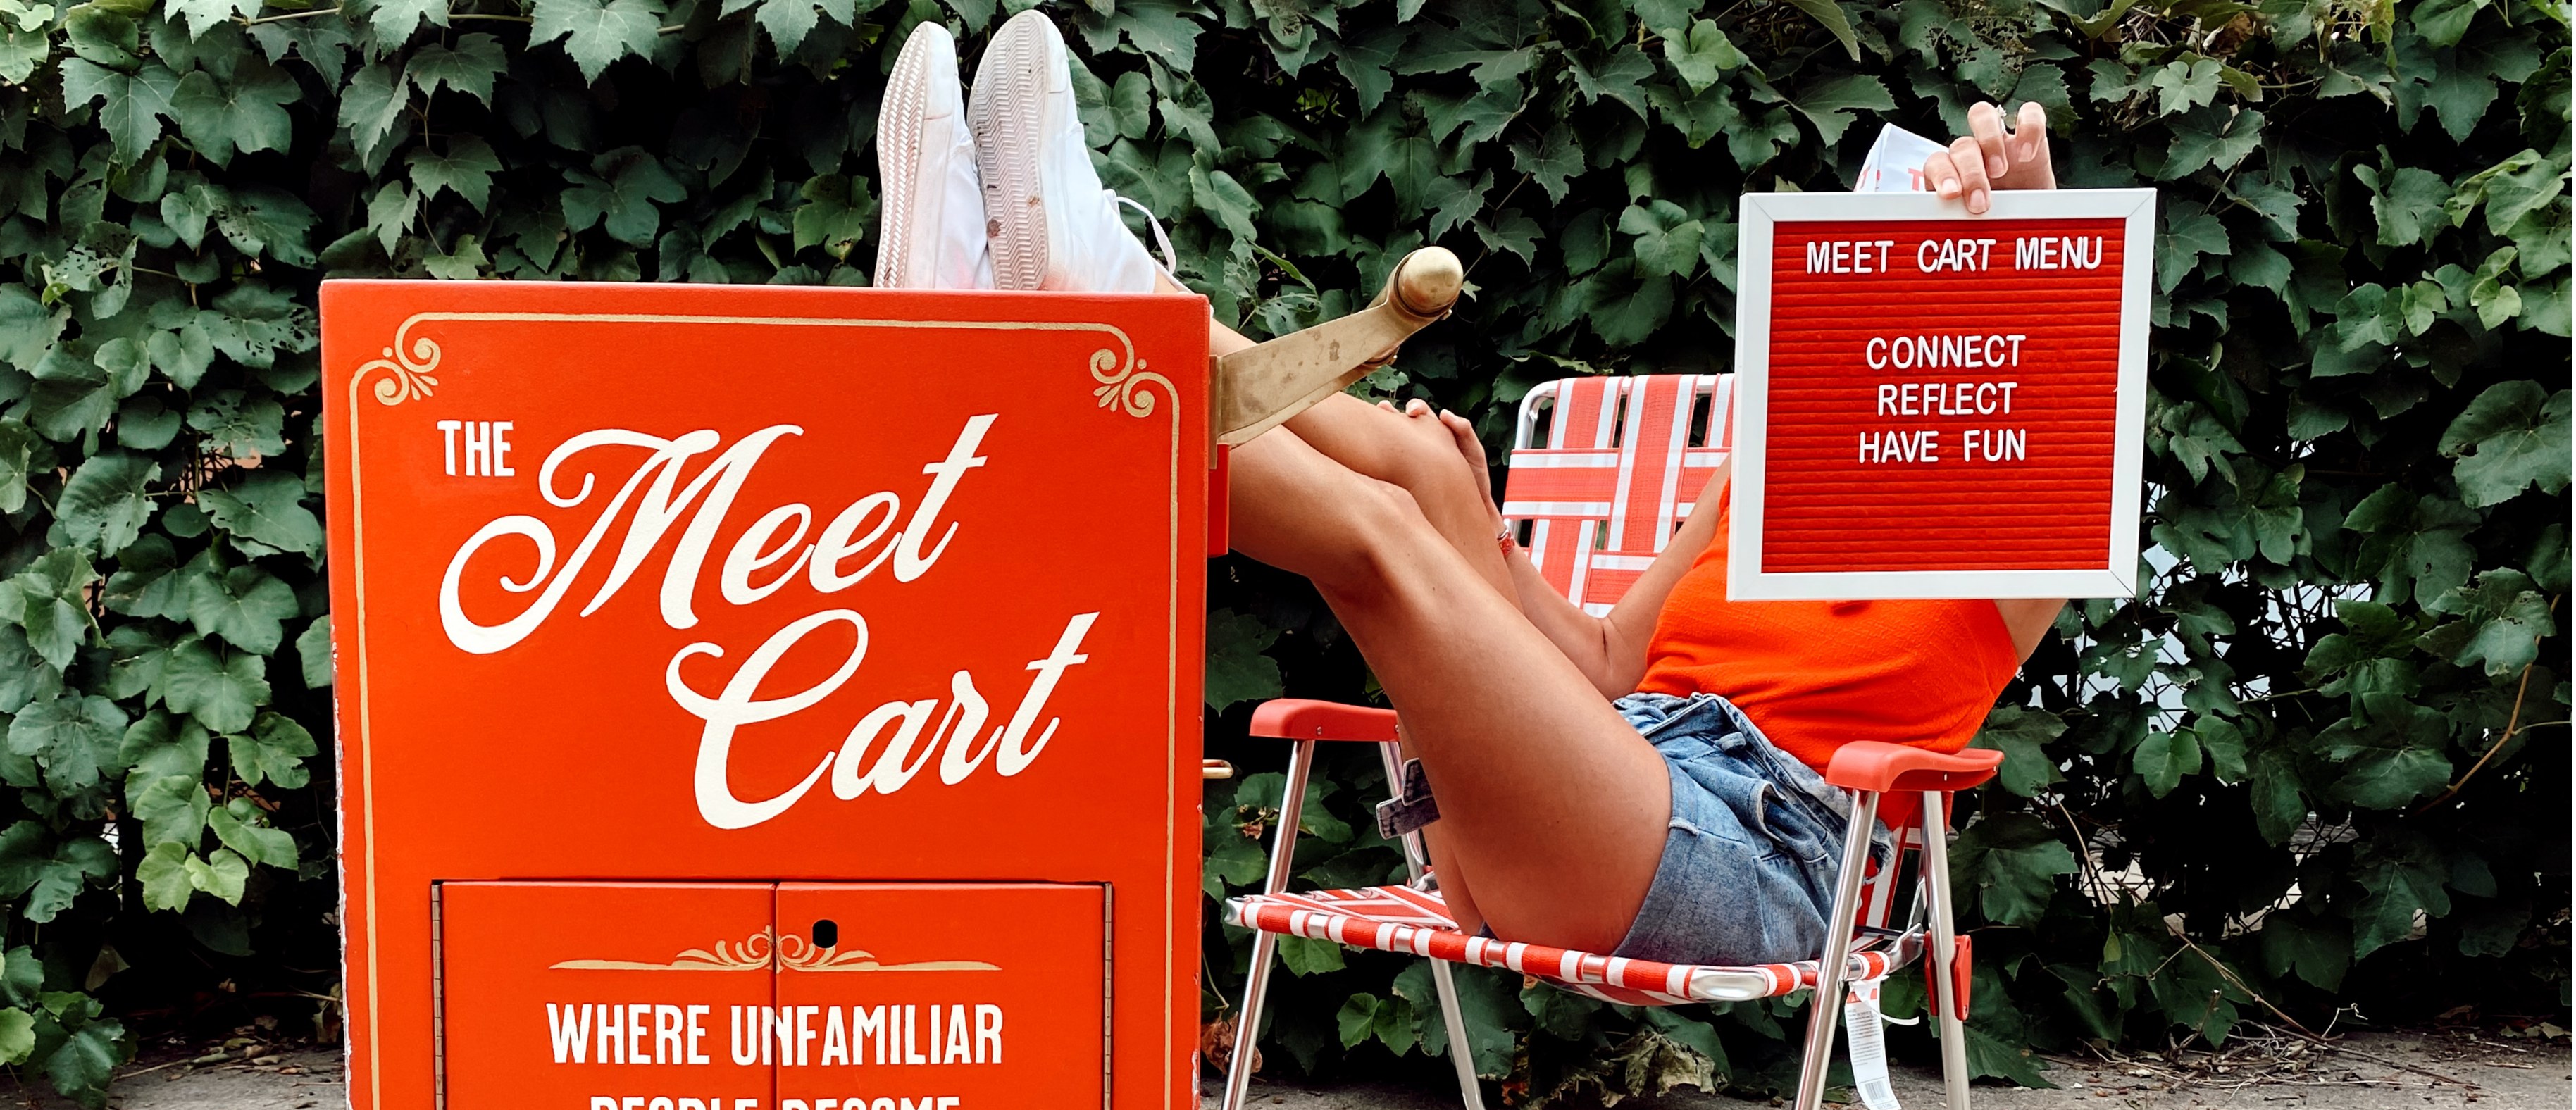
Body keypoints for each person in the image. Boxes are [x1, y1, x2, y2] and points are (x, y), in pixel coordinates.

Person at [878, 10, 2060, 968]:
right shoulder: (1761, 461)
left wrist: (2047, 242)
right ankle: (1068, 308)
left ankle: (1053, 342)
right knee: (1410, 469)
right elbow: (1602, 664)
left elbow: (2067, 397)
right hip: (1605, 763)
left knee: (1379, 537)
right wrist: (1482, 524)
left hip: (1752, 854)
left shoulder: (2017, 523)